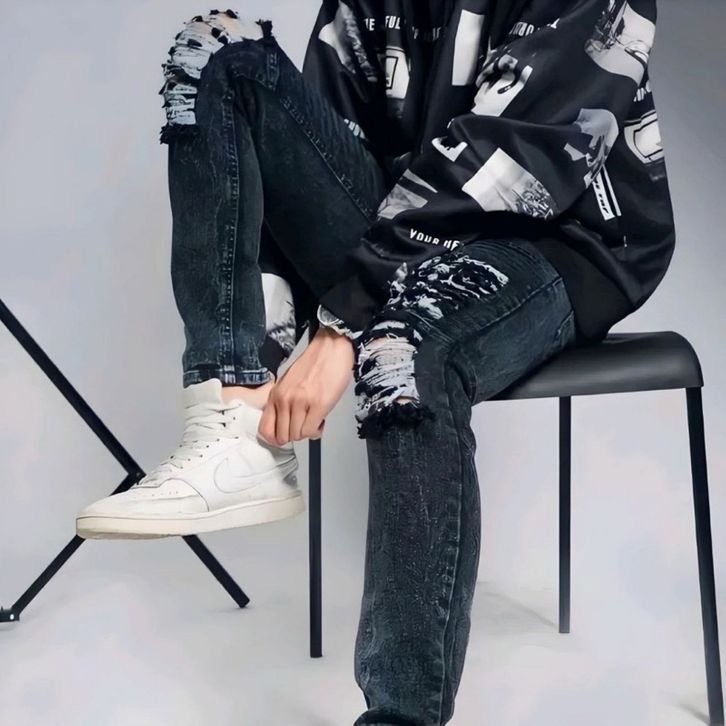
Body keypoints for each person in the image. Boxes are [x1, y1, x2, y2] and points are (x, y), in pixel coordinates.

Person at [75, 1, 674, 723]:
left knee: (400, 352)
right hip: (404, 228)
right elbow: (310, 166)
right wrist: (269, 354)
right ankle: (232, 420)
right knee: (219, 50)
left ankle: (400, 716)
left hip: (558, 238)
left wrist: (346, 323)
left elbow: (520, 159)